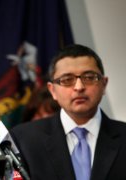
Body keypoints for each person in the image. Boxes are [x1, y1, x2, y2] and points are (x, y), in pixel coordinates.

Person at [10, 44, 126, 180]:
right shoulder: (23, 140)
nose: (79, 87)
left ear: (104, 84)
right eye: (67, 80)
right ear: (52, 90)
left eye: (89, 77)